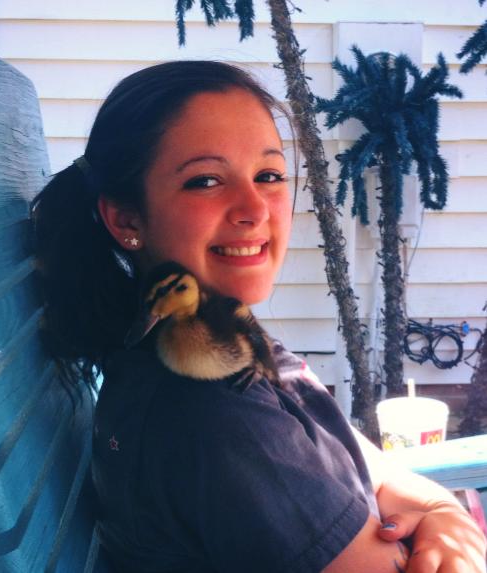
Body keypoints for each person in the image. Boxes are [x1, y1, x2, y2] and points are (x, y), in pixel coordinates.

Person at [31, 61, 486, 572]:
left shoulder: (206, 341)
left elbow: (368, 463)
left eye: (268, 175)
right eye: (205, 180)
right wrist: (449, 513)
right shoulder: (220, 417)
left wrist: (438, 508)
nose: (255, 208)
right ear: (126, 218)